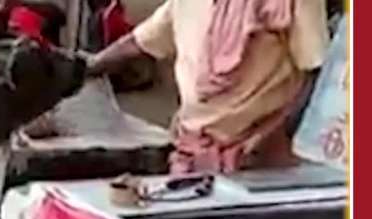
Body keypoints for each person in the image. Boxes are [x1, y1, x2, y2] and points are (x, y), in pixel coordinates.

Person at [85, 0, 330, 174]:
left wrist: (277, 133)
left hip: (260, 160)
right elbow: (142, 40)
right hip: (191, 150)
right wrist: (84, 67)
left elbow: (319, 75)